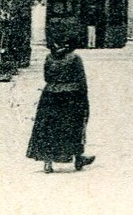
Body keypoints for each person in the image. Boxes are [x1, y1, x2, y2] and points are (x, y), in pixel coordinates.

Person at [27, 36, 95, 174]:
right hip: (72, 95)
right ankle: (78, 158)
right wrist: (84, 98)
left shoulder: (49, 58)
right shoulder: (75, 58)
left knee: (48, 127)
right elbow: (81, 79)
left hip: (50, 94)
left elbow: (46, 77)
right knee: (73, 126)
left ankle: (47, 162)